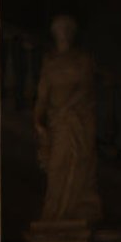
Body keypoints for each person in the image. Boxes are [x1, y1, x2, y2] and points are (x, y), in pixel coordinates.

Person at [34, 14, 102, 224]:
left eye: (66, 29)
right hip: (58, 122)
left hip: (77, 120)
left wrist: (66, 107)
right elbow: (42, 97)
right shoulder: (50, 63)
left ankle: (75, 210)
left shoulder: (82, 60)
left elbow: (86, 89)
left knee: (79, 163)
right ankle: (55, 212)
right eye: (58, 29)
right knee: (56, 168)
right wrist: (38, 122)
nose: (62, 34)